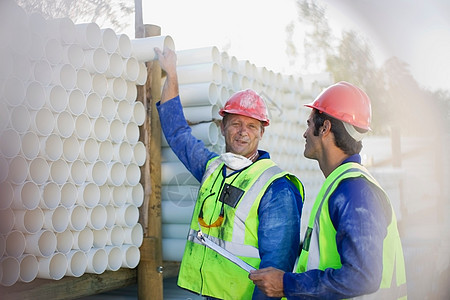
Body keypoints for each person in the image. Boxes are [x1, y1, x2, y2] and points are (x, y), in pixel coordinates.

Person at [154, 46, 304, 300]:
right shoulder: (212, 168)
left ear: (261, 132)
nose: (243, 131)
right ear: (222, 128)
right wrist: (171, 72)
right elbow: (177, 132)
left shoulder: (276, 187)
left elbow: (276, 270)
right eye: (235, 123)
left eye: (251, 125)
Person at [249, 81, 407, 299]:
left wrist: (287, 285)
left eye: (309, 123)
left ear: (325, 128)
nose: (305, 134)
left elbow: (363, 276)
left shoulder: (354, 191)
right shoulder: (342, 185)